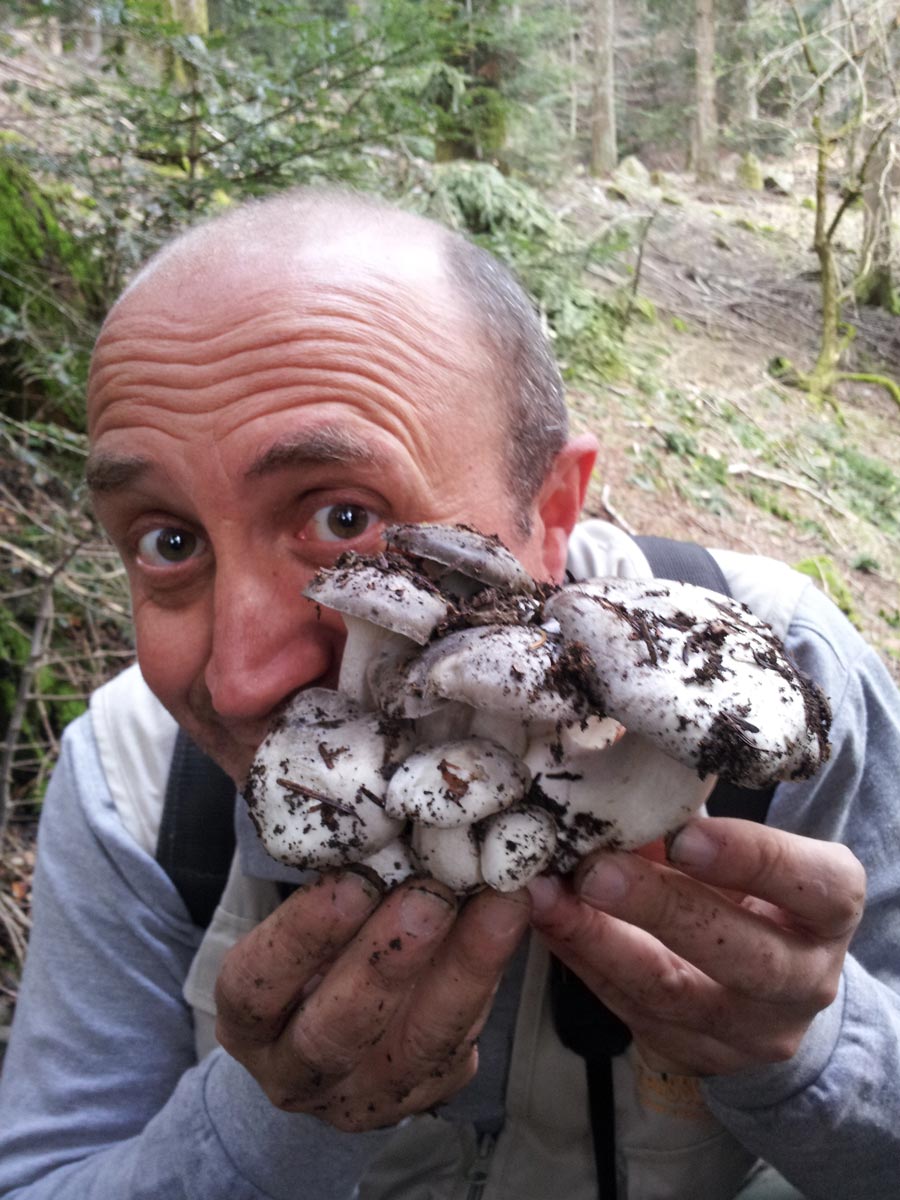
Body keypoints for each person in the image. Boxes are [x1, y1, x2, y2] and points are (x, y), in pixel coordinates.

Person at [0, 188, 898, 1200]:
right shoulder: (131, 781)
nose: (240, 679)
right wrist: (270, 1126)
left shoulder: (782, 670)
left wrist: (813, 1060)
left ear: (550, 512)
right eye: (168, 541)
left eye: (346, 517)